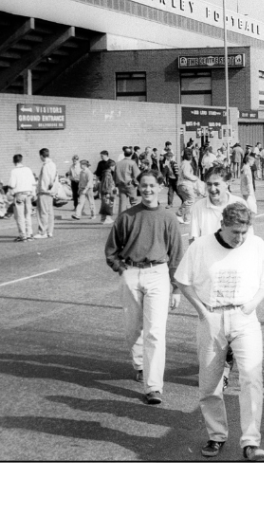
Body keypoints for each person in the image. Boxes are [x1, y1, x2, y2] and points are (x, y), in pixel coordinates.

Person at [175, 202, 264, 460]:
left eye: (244, 232)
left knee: (251, 378)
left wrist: (251, 305)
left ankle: (251, 441)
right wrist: (202, 311)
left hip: (244, 317)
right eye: (235, 232)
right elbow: (182, 279)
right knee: (210, 382)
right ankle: (216, 435)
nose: (240, 238)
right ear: (222, 225)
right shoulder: (200, 246)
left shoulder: (256, 245)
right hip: (212, 317)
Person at [104, 170, 184, 404]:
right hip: (131, 272)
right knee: (133, 329)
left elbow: (177, 254)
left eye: (152, 185)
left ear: (160, 186)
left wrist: (176, 288)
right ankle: (140, 364)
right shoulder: (127, 216)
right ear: (138, 188)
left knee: (155, 332)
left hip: (158, 273)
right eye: (144, 186)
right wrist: (122, 269)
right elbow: (111, 250)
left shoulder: (168, 218)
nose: (148, 190)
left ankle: (153, 386)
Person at [190, 165, 244, 241]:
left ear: (227, 183)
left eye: (216, 184)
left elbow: (247, 237)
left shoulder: (240, 204)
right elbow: (193, 240)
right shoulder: (198, 207)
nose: (212, 189)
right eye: (209, 184)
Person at [9, 153, 37, 241]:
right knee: (27, 214)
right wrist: (33, 193)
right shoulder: (28, 169)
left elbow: (12, 184)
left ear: (14, 161)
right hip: (28, 194)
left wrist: (11, 193)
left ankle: (22, 235)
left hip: (19, 195)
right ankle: (30, 233)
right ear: (21, 160)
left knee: (20, 216)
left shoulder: (14, 171)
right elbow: (33, 183)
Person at [34, 148, 58, 238]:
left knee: (42, 212)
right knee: (50, 212)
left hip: (44, 191)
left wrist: (40, 189)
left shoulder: (45, 166)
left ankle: (42, 232)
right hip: (50, 192)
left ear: (41, 156)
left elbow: (45, 179)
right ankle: (50, 231)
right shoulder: (53, 164)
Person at [176, 147, 200, 223]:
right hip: (184, 185)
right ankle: (179, 213)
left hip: (183, 185)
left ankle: (187, 219)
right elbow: (186, 174)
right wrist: (195, 178)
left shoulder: (184, 163)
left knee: (188, 201)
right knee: (191, 200)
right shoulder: (186, 164)